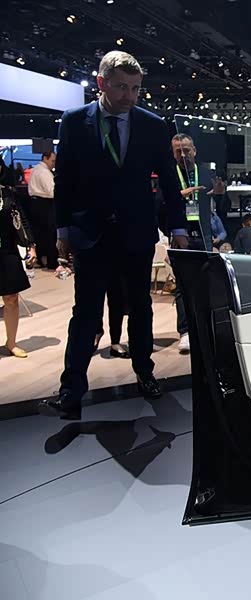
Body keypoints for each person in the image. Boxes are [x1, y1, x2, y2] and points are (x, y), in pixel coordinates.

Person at [38, 51, 188, 421]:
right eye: (121, 87)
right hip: (91, 233)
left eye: (135, 88)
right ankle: (71, 391)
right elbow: (65, 181)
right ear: (102, 83)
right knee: (85, 312)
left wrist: (178, 228)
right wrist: (62, 230)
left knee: (140, 306)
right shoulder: (75, 122)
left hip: (136, 231)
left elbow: (170, 183)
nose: (129, 96)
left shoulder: (152, 125)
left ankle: (145, 373)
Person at [169, 133, 226, 353]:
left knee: (206, 282)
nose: (183, 155)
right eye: (178, 151)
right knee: (182, 286)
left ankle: (205, 327)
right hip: (180, 235)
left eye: (186, 150)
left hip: (203, 234)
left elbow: (213, 200)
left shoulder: (205, 173)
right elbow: (160, 203)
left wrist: (218, 193)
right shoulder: (169, 174)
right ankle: (185, 331)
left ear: (194, 150)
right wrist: (180, 194)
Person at [0, 155, 33, 358]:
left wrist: (31, 246)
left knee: (11, 298)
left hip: (7, 251)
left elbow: (22, 220)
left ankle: (11, 342)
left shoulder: (8, 193)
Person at [28, 151, 58, 269]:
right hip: (44, 204)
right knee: (50, 234)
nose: (53, 164)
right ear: (45, 158)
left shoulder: (35, 169)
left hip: (34, 204)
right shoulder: (44, 172)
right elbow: (52, 192)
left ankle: (41, 259)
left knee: (39, 234)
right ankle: (51, 261)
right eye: (52, 161)